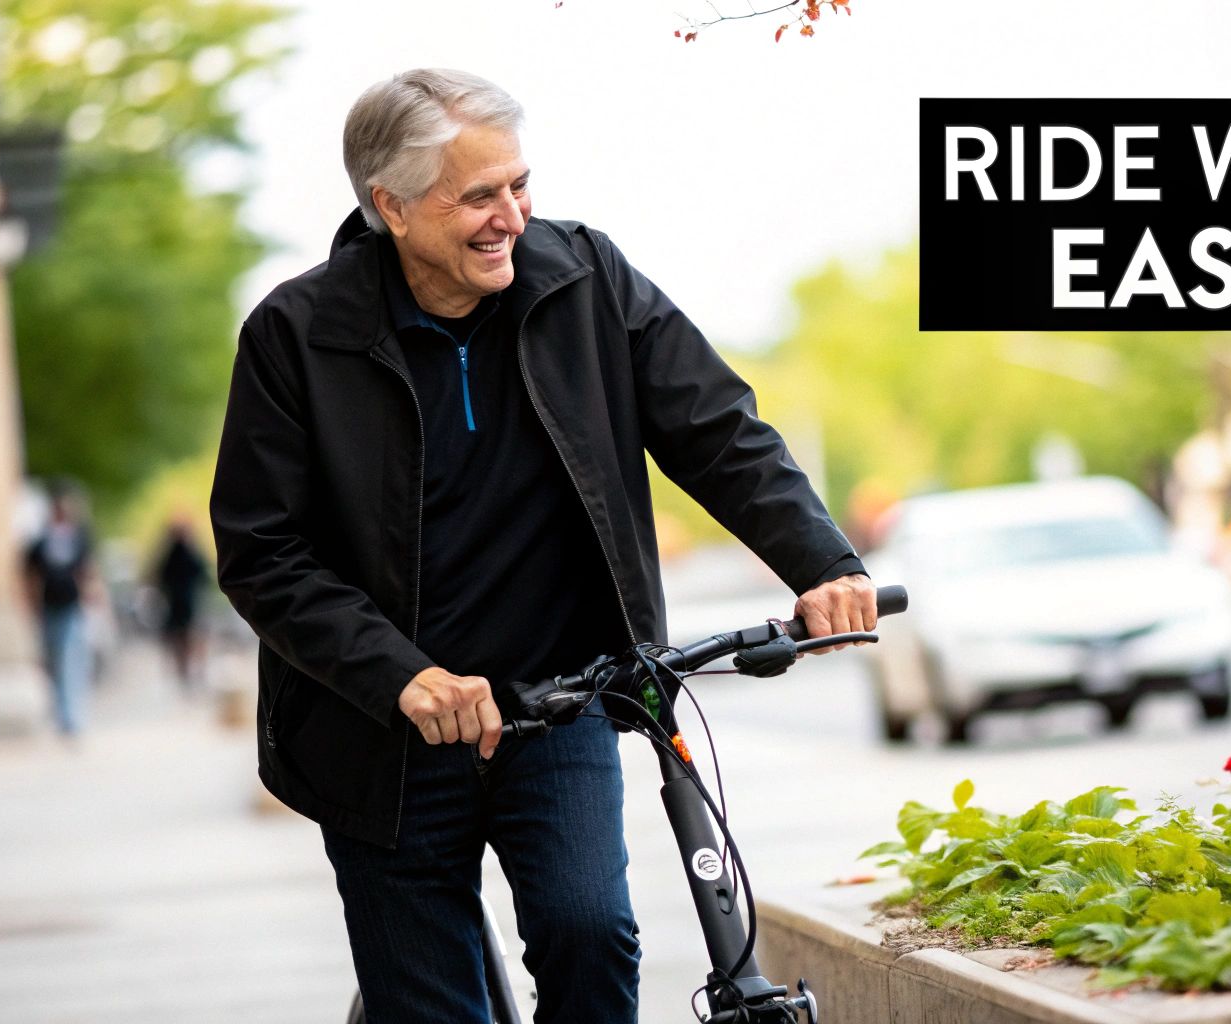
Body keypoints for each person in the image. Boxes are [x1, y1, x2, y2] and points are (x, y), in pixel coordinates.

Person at [210, 68, 876, 1024]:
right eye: (478, 196)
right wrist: (403, 675)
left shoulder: (586, 279)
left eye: (520, 186)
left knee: (589, 933)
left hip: (559, 700)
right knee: (429, 1007)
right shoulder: (295, 335)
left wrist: (823, 561)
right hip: (385, 734)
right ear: (389, 206)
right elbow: (261, 551)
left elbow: (717, 429)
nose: (511, 217)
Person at [24, 486, 97, 738]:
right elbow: (31, 575)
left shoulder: (78, 537)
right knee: (54, 662)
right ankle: (61, 713)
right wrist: (31, 605)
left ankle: (70, 717)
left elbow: (87, 569)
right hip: (48, 605)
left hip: (71, 605)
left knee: (69, 660)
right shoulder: (41, 541)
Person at [150, 514, 209, 689]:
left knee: (190, 637)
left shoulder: (188, 551)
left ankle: (190, 672)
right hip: (179, 602)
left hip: (188, 601)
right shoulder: (174, 552)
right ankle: (185, 672)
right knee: (181, 638)